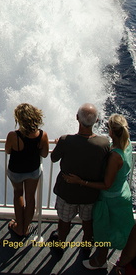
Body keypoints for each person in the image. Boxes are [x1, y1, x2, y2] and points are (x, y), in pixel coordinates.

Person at [67, 114, 134, 270]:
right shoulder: (127, 144)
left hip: (109, 199)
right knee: (121, 229)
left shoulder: (115, 156)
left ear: (111, 131)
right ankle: (121, 260)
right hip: (122, 193)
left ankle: (100, 260)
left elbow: (106, 184)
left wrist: (81, 182)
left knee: (102, 231)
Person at [50, 103, 110, 250]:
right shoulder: (104, 143)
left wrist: (60, 144)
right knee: (88, 222)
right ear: (96, 121)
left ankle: (60, 244)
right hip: (89, 194)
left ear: (77, 118)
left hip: (67, 193)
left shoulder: (66, 140)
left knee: (64, 222)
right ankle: (86, 245)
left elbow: (53, 158)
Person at [5, 103, 49, 237]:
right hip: (32, 171)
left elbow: (8, 151)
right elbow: (45, 154)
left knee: (18, 194)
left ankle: (19, 227)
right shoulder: (42, 135)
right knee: (30, 198)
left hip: (16, 171)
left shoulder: (13, 135)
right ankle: (25, 228)